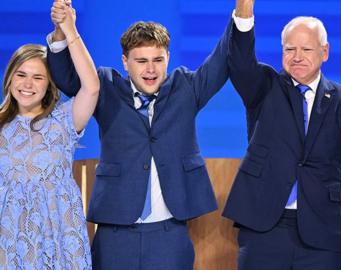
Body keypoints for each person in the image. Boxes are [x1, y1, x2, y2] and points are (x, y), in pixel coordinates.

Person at [222, 0, 341, 269]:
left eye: (306, 49)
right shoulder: (263, 86)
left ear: (325, 52)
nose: (297, 56)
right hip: (265, 226)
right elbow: (240, 62)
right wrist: (244, 10)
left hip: (322, 231)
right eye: (289, 49)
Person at [46, 1, 232, 269]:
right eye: (141, 61)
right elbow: (65, 77)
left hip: (169, 233)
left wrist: (242, 14)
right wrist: (62, 32)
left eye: (158, 60)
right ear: (125, 61)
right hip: (115, 232)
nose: (151, 69)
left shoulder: (186, 88)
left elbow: (220, 60)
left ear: (168, 57)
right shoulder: (105, 87)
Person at [0, 1, 99, 268]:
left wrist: (69, 31)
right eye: (21, 75)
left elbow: (91, 87)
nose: (28, 84)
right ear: (9, 79)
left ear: (49, 85)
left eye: (38, 77)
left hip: (58, 244)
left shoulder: (64, 121)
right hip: (8, 249)